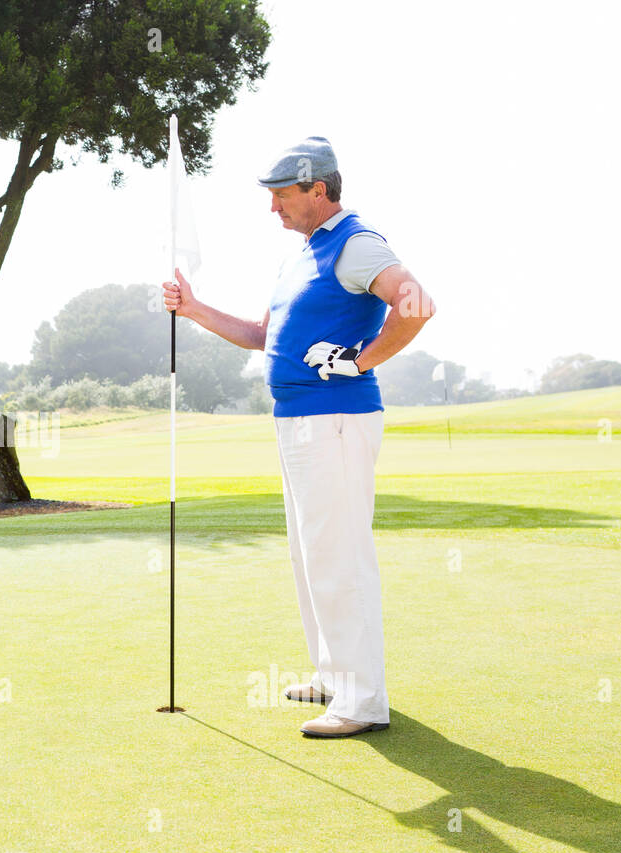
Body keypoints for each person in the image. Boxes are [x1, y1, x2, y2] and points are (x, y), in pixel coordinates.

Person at [162, 136, 436, 738]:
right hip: (298, 422)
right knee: (310, 554)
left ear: (319, 189)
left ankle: (363, 701)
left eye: (282, 195)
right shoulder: (304, 254)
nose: (272, 208)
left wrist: (359, 362)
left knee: (339, 557)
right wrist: (195, 308)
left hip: (336, 419)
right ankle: (336, 677)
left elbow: (416, 304)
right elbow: (263, 333)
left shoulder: (356, 243)